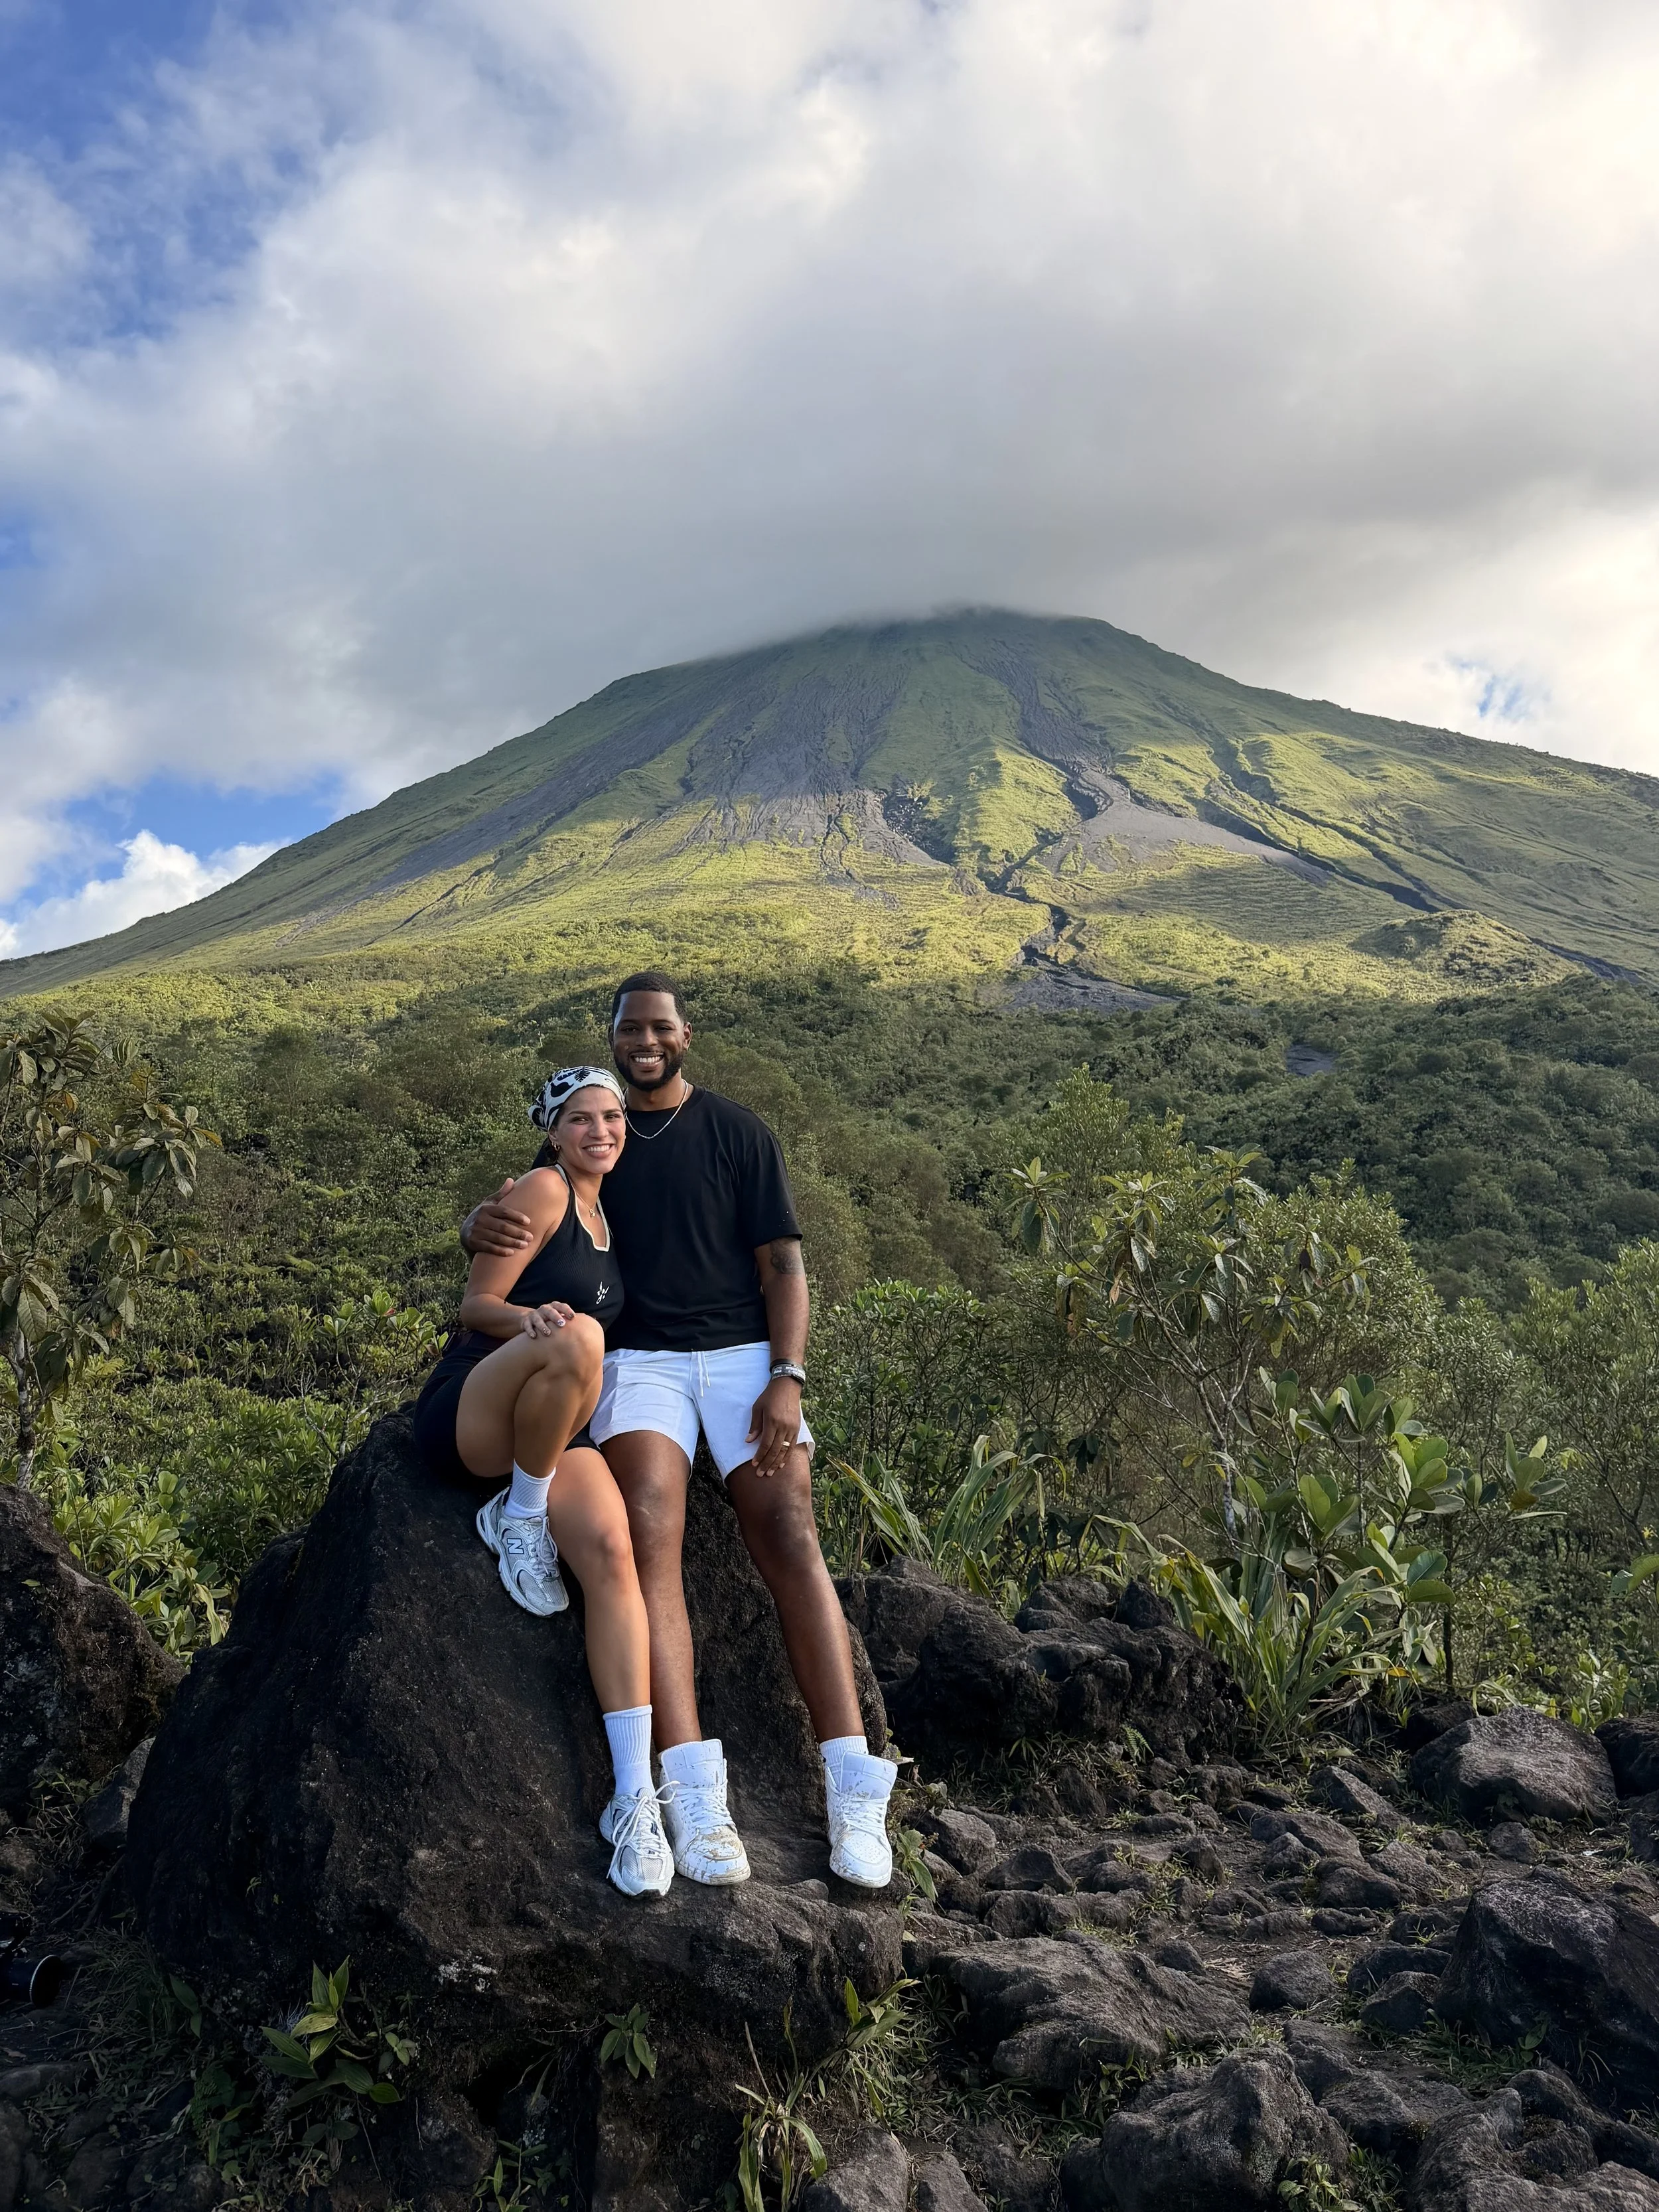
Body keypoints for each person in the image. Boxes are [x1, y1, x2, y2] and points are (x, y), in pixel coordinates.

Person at [463, 972, 897, 1890]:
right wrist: (476, 1222)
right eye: (630, 1029)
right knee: (653, 1524)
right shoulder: (599, 1137)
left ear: (686, 1035)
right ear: (613, 1038)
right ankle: (694, 1793)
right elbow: (533, 1212)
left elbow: (783, 1264)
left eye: (660, 1027)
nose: (645, 1041)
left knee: (787, 1531)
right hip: (639, 1362)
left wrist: (787, 1375)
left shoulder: (738, 1132)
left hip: (745, 1357)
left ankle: (854, 1786)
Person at [413, 1065, 674, 1900]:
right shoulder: (543, 1189)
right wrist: (527, 1318)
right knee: (581, 1339)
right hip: (477, 1406)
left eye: (612, 1118)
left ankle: (633, 1797)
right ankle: (516, 1518)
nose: (602, 1130)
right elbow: (475, 1302)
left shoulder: (610, 1212)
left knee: (610, 1550)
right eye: (583, 1119)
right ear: (554, 1131)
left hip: (553, 1431)